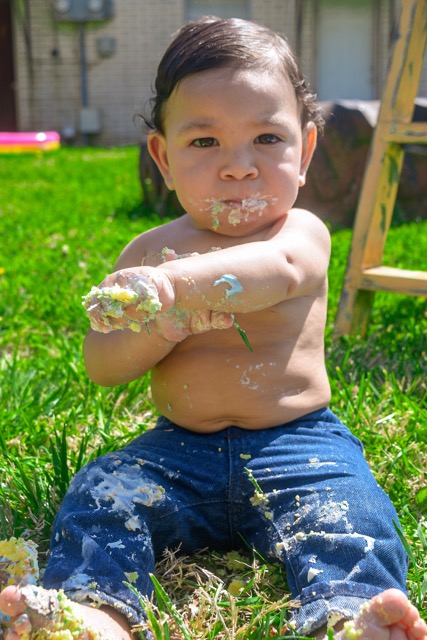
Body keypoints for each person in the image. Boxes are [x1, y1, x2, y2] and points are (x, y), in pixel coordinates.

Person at [1, 16, 426, 640]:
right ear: (163, 159)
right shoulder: (147, 252)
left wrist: (176, 285)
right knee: (100, 493)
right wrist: (161, 326)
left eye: (267, 138)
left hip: (300, 446)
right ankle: (95, 610)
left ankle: (348, 613)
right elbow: (104, 364)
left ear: (306, 151)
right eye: (204, 142)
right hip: (177, 452)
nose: (238, 167)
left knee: (353, 511)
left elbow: (276, 272)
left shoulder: (299, 233)